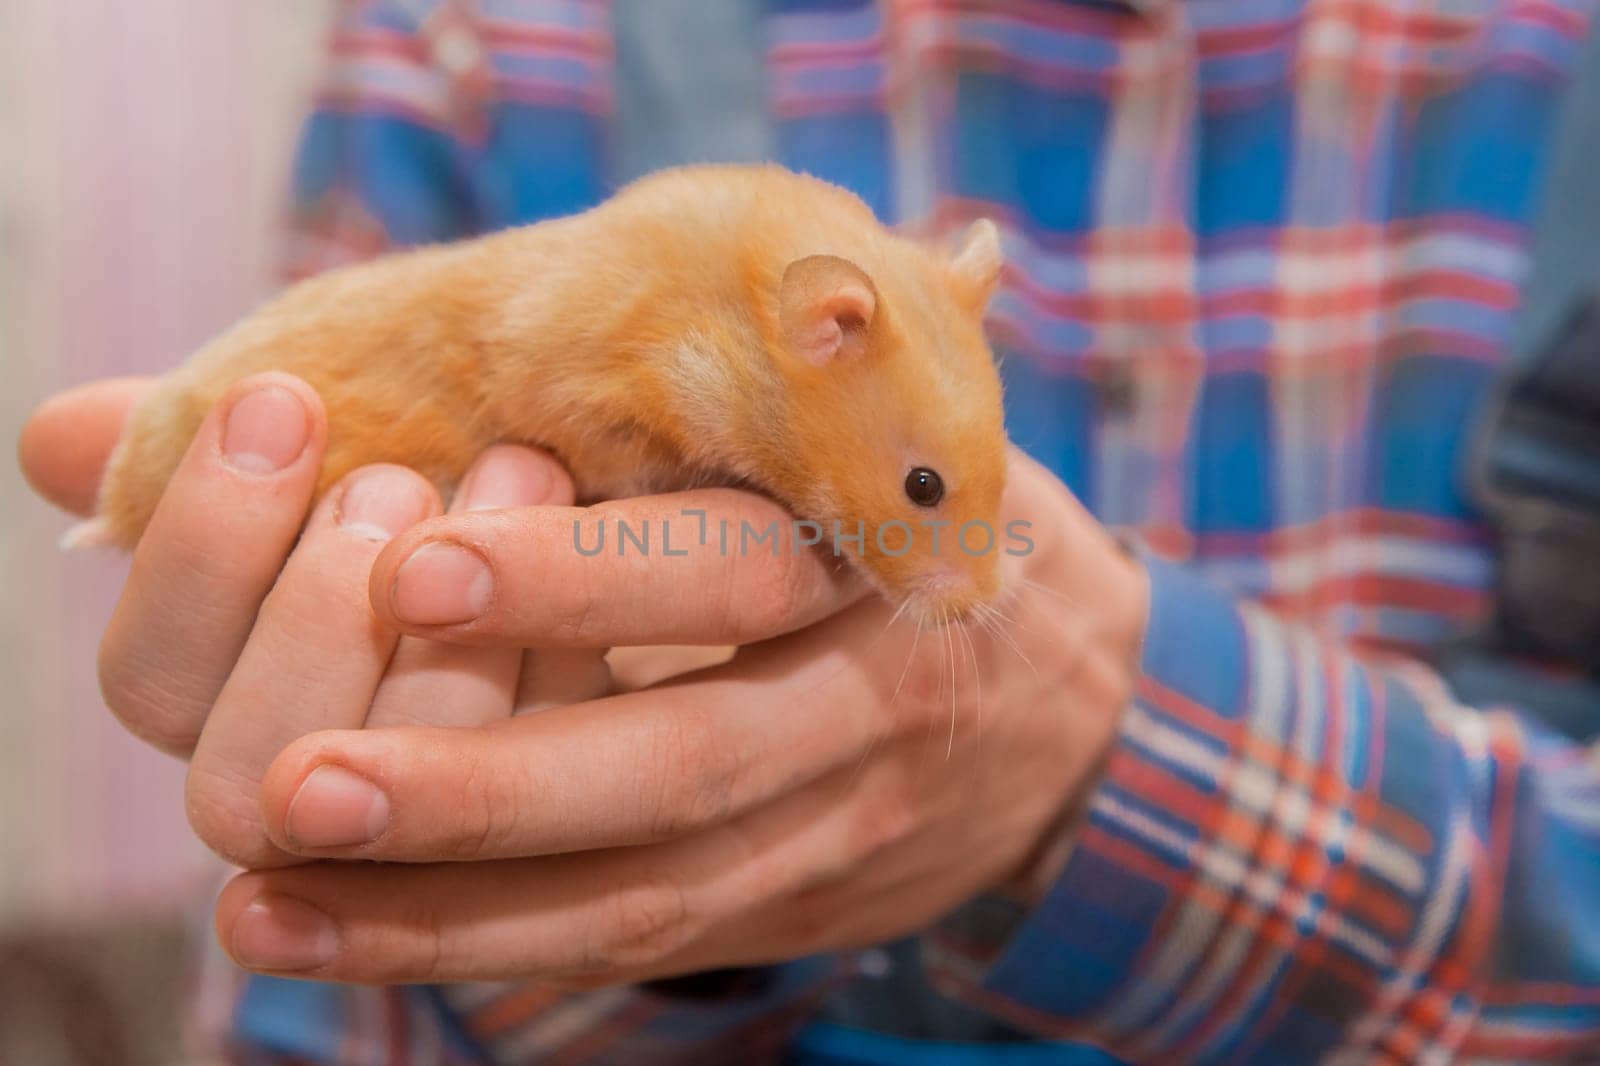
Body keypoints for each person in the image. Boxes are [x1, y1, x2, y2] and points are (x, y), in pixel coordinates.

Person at [17, 0, 1600, 1062]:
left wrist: (1122, 771)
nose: (969, 581)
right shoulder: (480, 40)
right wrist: (527, 892)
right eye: (931, 501)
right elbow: (310, 1010)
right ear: (820, 329)